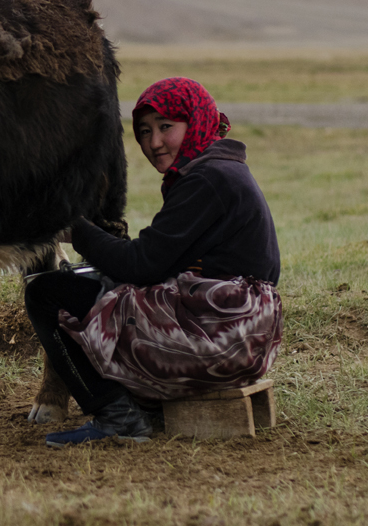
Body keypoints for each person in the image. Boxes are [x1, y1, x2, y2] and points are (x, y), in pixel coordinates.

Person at [24, 77, 283, 447]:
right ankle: (138, 399)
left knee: (47, 293)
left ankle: (118, 414)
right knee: (103, 285)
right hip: (243, 332)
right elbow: (156, 261)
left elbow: (141, 265)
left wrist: (75, 228)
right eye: (144, 131)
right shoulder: (218, 170)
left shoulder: (206, 180)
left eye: (166, 127)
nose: (154, 142)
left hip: (224, 335)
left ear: (194, 123)